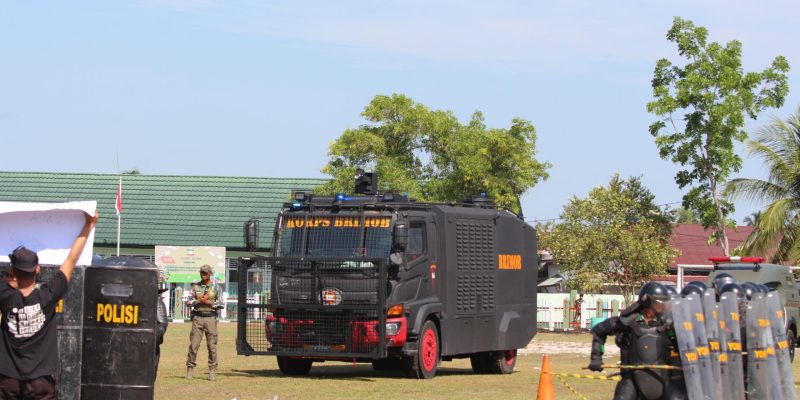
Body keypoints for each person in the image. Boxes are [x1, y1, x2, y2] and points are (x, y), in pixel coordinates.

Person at [0, 211, 98, 400]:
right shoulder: (49, 295)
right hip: (40, 381)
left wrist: (9, 280)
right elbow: (71, 259)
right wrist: (88, 224)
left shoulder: (4, 295)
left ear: (12, 270)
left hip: (7, 379)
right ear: (38, 269)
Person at [588, 282, 685, 400]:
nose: (663, 306)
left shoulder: (668, 324)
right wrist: (596, 358)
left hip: (663, 379)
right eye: (660, 302)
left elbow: (685, 343)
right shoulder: (626, 322)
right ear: (647, 301)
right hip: (631, 379)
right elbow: (599, 331)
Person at [185, 264, 221, 381]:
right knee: (194, 345)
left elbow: (222, 303)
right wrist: (198, 301)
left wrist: (210, 303)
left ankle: (212, 371)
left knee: (212, 346)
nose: (203, 275)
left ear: (210, 274)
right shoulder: (195, 287)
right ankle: (190, 369)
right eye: (201, 272)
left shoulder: (216, 287)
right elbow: (188, 301)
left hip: (210, 318)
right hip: (197, 318)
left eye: (205, 273)